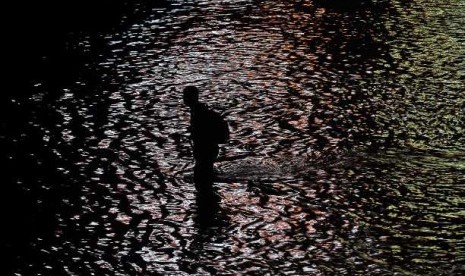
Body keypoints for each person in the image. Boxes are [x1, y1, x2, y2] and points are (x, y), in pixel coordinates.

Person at [183, 86, 229, 200]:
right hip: (207, 149)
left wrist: (194, 133)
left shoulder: (199, 112)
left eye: (185, 96)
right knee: (203, 176)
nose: (183, 98)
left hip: (206, 150)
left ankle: (208, 200)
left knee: (202, 179)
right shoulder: (196, 111)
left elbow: (203, 131)